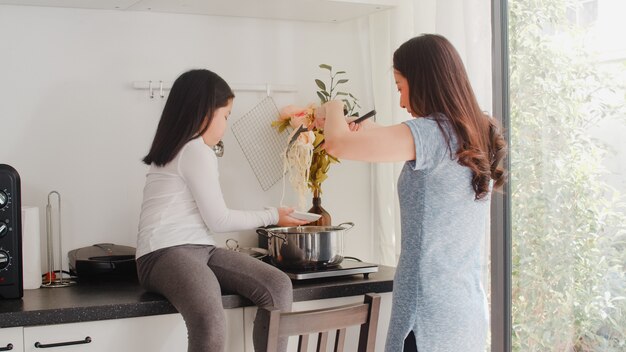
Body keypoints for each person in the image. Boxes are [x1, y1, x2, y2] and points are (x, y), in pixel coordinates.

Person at [321, 34, 507, 352]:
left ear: (422, 81)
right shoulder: (475, 131)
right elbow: (396, 137)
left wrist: (332, 106)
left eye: (399, 86)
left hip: (428, 315)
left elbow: (336, 143)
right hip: (465, 313)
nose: (401, 102)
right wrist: (366, 129)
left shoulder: (429, 134)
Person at [135, 69, 308, 352]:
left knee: (277, 285)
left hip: (201, 249)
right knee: (210, 317)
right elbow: (219, 219)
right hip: (163, 253)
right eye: (226, 115)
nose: (226, 124)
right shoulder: (194, 150)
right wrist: (273, 215)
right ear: (205, 114)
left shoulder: (187, 149)